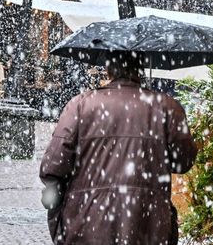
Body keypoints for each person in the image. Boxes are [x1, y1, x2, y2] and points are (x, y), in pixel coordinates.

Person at [39, 56, 197, 245]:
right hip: (148, 224)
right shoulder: (168, 108)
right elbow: (183, 162)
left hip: (87, 223)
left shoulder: (80, 105)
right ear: (141, 69)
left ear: (108, 70)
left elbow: (54, 164)